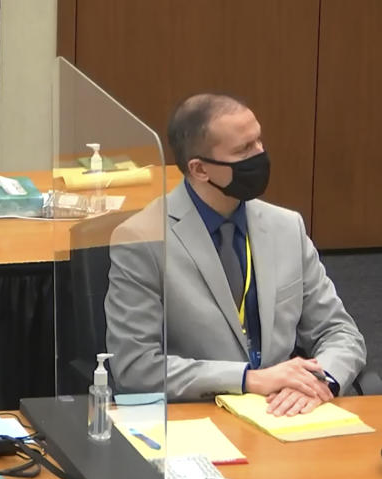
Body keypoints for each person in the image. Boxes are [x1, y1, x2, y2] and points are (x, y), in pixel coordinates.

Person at [105, 93, 366, 416]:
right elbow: (136, 367)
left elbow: (340, 332)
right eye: (244, 150)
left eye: (259, 141)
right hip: (198, 418)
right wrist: (248, 379)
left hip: (284, 413)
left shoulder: (286, 227)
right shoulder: (142, 238)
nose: (259, 155)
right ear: (199, 169)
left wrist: (321, 380)